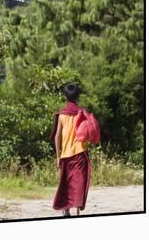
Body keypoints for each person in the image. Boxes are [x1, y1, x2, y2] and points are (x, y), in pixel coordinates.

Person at [51, 83, 91, 217]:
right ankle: (77, 208)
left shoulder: (62, 115)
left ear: (64, 96)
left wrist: (58, 156)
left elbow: (57, 136)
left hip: (66, 154)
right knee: (79, 182)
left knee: (66, 182)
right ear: (78, 96)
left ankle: (66, 209)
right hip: (80, 153)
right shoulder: (83, 113)